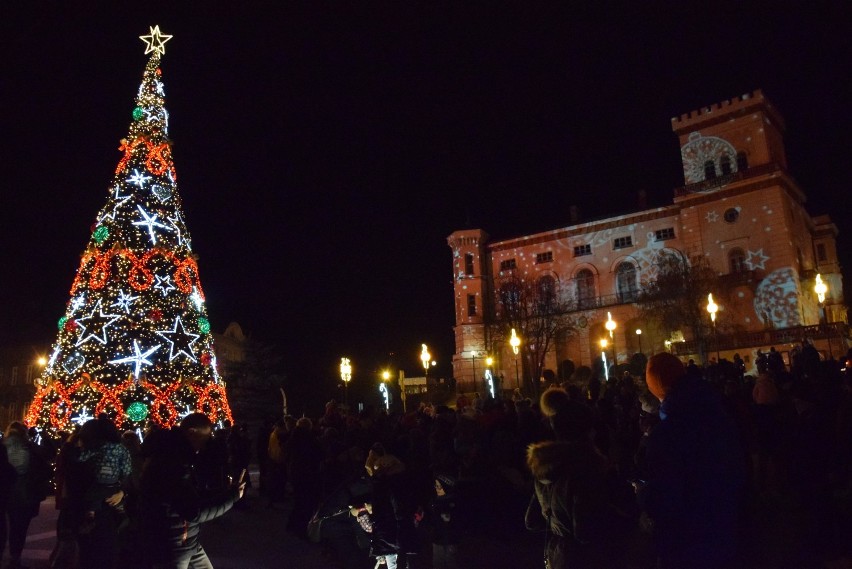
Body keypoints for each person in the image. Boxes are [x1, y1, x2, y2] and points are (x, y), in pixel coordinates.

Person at [640, 353, 745, 569]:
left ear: (657, 388)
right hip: (726, 525)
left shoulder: (667, 434)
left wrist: (643, 495)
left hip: (685, 538)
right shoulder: (717, 412)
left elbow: (663, 496)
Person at [525, 388, 621, 568]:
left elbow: (531, 521)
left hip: (557, 555)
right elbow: (584, 531)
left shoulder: (545, 468)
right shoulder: (585, 468)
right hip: (586, 558)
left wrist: (557, 528)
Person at [138, 413, 246, 569]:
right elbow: (193, 511)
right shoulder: (171, 462)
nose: (205, 444)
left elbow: (190, 496)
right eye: (206, 437)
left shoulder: (176, 456)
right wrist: (232, 497)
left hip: (187, 541)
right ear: (192, 432)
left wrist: (224, 492)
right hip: (173, 545)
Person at [2, 422, 51, 569]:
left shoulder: (3, 446)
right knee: (19, 529)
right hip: (25, 494)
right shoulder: (31, 448)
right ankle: (14, 558)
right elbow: (49, 458)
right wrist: (44, 437)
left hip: (4, 493)